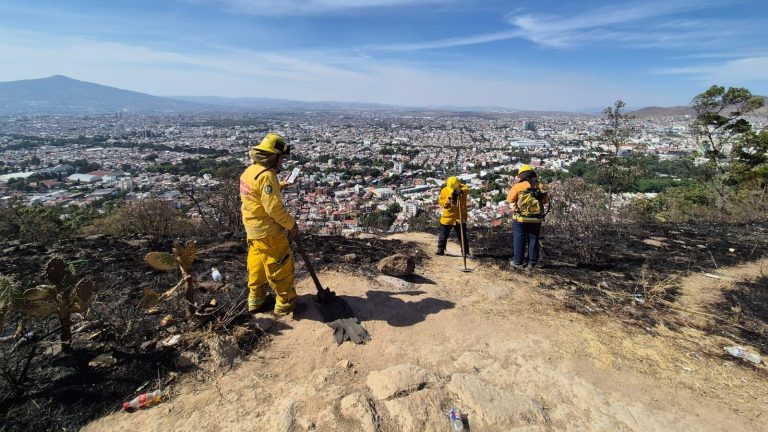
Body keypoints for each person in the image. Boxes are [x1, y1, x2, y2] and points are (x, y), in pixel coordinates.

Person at [240, 133, 301, 316]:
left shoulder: (251, 171)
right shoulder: (267, 175)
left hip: (253, 230)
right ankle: (285, 305)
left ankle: (256, 300)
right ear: (274, 156)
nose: (282, 161)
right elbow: (274, 209)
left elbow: (257, 194)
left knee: (256, 266)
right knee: (280, 268)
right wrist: (292, 224)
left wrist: (280, 185)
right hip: (269, 232)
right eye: (281, 157)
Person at [507, 164, 548, 269]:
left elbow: (510, 200)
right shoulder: (540, 185)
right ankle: (532, 263)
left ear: (521, 175)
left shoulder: (518, 186)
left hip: (521, 218)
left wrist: (516, 209)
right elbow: (545, 200)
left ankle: (517, 262)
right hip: (535, 218)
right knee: (533, 238)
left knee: (519, 238)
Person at [436, 176, 470, 257]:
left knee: (462, 236)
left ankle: (465, 252)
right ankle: (440, 249)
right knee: (443, 235)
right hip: (448, 216)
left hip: (460, 216)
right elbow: (440, 201)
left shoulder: (463, 188)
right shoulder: (445, 190)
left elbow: (466, 189)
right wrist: (447, 202)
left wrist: (460, 191)